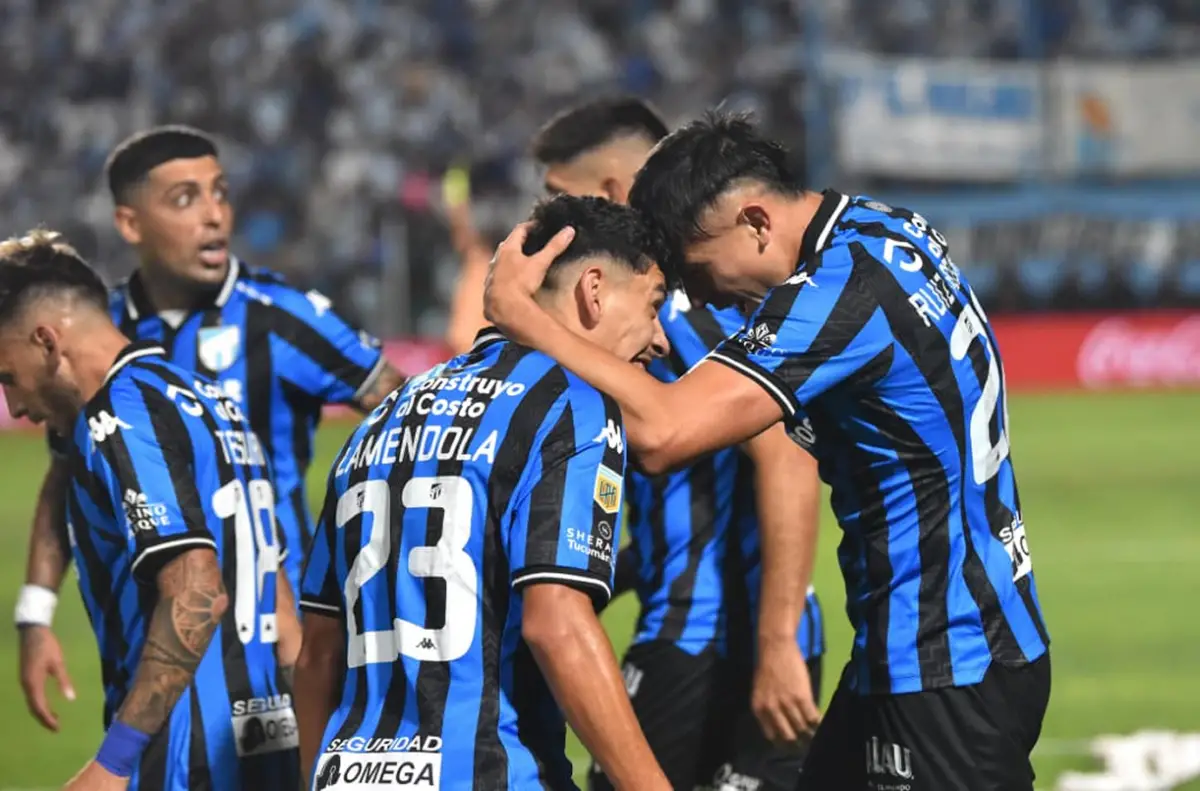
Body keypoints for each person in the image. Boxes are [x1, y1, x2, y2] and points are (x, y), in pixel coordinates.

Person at [484, 112, 1052, 791]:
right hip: (949, 641)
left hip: (943, 659)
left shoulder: (837, 294)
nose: (702, 298)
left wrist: (524, 317)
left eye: (697, 271)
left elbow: (663, 434)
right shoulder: (884, 228)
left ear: (754, 221)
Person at [15, 125, 404, 733]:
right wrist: (36, 613)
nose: (215, 215)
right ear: (129, 223)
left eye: (220, 193)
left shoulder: (283, 316)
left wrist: (360, 568)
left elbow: (406, 423)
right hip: (151, 653)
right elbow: (66, 474)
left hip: (286, 644)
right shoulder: (91, 329)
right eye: (184, 199)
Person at [294, 195, 673, 791]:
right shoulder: (572, 405)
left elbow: (317, 651)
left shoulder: (380, 420)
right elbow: (557, 625)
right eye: (653, 306)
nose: (660, 340)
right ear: (594, 290)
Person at [529, 97, 825, 791]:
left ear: (606, 193)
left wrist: (777, 639)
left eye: (554, 198)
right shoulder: (680, 298)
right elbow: (698, 501)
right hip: (726, 630)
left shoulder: (672, 311)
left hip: (708, 639)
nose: (542, 221)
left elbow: (786, 453)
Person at [0, 230, 301, 790]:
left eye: (7, 378)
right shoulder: (211, 403)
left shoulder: (118, 416)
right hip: (270, 742)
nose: (14, 406)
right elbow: (281, 611)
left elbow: (196, 590)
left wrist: (114, 762)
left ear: (46, 341)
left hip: (185, 758)